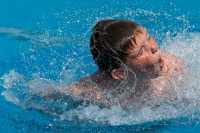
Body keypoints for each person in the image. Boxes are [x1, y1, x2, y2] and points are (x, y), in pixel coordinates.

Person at [45, 20, 186, 110]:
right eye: (142, 51)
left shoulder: (171, 66)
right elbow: (53, 95)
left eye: (148, 37)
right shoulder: (98, 92)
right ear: (121, 73)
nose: (154, 48)